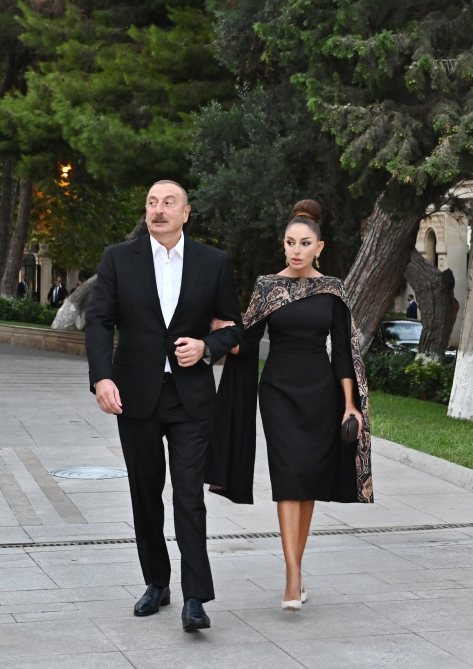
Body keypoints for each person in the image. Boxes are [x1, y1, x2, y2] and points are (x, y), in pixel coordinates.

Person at [85, 180, 243, 631]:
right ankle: (157, 582)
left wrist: (207, 346)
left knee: (189, 496)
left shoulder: (213, 262)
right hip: (135, 395)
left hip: (190, 397)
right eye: (152, 203)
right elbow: (99, 321)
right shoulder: (119, 258)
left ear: (186, 213)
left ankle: (196, 597)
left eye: (168, 203)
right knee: (145, 493)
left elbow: (235, 328)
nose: (158, 210)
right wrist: (102, 377)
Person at [207, 199, 373, 612]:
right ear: (283, 245)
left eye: (305, 243)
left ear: (320, 247)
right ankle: (292, 577)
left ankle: (296, 571)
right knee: (287, 477)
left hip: (321, 394)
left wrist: (350, 405)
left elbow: (343, 352)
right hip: (277, 392)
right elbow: (247, 341)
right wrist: (223, 333)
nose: (296, 250)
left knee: (307, 480)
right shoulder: (268, 287)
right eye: (290, 243)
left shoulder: (332, 289)